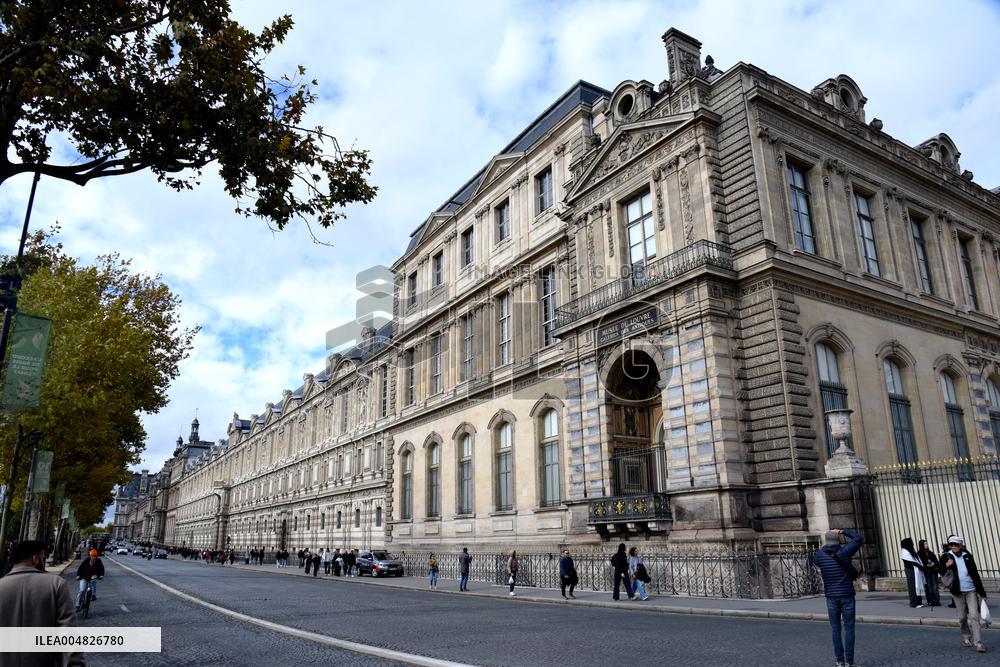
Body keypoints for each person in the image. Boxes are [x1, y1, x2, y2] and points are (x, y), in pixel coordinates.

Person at [0, 540, 86, 667]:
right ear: (35, 559)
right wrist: (76, 662)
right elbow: (68, 629)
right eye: (43, 557)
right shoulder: (56, 584)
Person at [814, 528, 864, 667]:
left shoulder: (820, 555)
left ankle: (839, 661)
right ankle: (849, 662)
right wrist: (843, 531)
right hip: (847, 594)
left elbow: (816, 561)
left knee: (835, 629)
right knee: (849, 629)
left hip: (831, 596)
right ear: (838, 539)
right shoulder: (845, 551)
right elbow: (858, 539)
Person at [939, 535, 987, 653]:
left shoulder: (967, 556)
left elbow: (975, 574)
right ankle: (966, 637)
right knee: (962, 617)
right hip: (957, 590)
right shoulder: (946, 556)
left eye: (956, 544)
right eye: (951, 544)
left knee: (974, 616)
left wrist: (982, 592)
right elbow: (939, 570)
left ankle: (978, 642)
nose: (954, 547)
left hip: (971, 589)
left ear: (961, 545)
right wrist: (946, 566)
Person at [900, 537, 924, 608]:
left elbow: (916, 560)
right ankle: (913, 602)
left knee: (917, 584)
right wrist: (920, 566)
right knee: (912, 586)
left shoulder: (910, 551)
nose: (913, 544)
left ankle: (919, 601)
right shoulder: (905, 551)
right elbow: (911, 561)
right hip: (910, 570)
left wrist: (920, 566)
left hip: (914, 570)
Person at [917, 539, 940, 608]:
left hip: (933, 571)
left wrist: (934, 563)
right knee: (928, 586)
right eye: (924, 544)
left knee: (935, 586)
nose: (926, 545)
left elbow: (936, 561)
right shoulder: (919, 554)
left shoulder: (930, 553)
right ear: (921, 545)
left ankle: (936, 600)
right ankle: (930, 600)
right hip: (926, 572)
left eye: (926, 544)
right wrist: (926, 565)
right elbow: (920, 563)